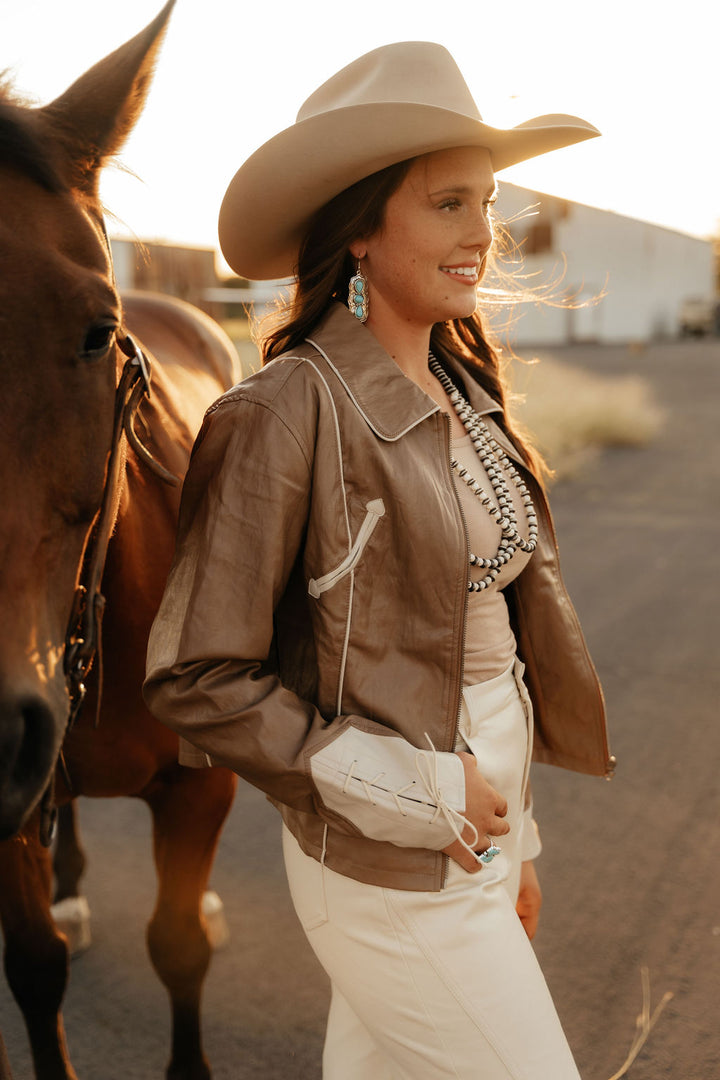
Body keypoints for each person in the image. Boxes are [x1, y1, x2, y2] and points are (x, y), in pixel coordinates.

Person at [144, 41, 614, 1080]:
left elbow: (492, 661)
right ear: (359, 227)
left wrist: (518, 846)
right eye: (450, 204)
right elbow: (195, 676)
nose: (482, 236)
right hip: (383, 869)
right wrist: (414, 788)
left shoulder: (469, 395)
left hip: (478, 847)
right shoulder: (283, 411)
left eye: (487, 204)